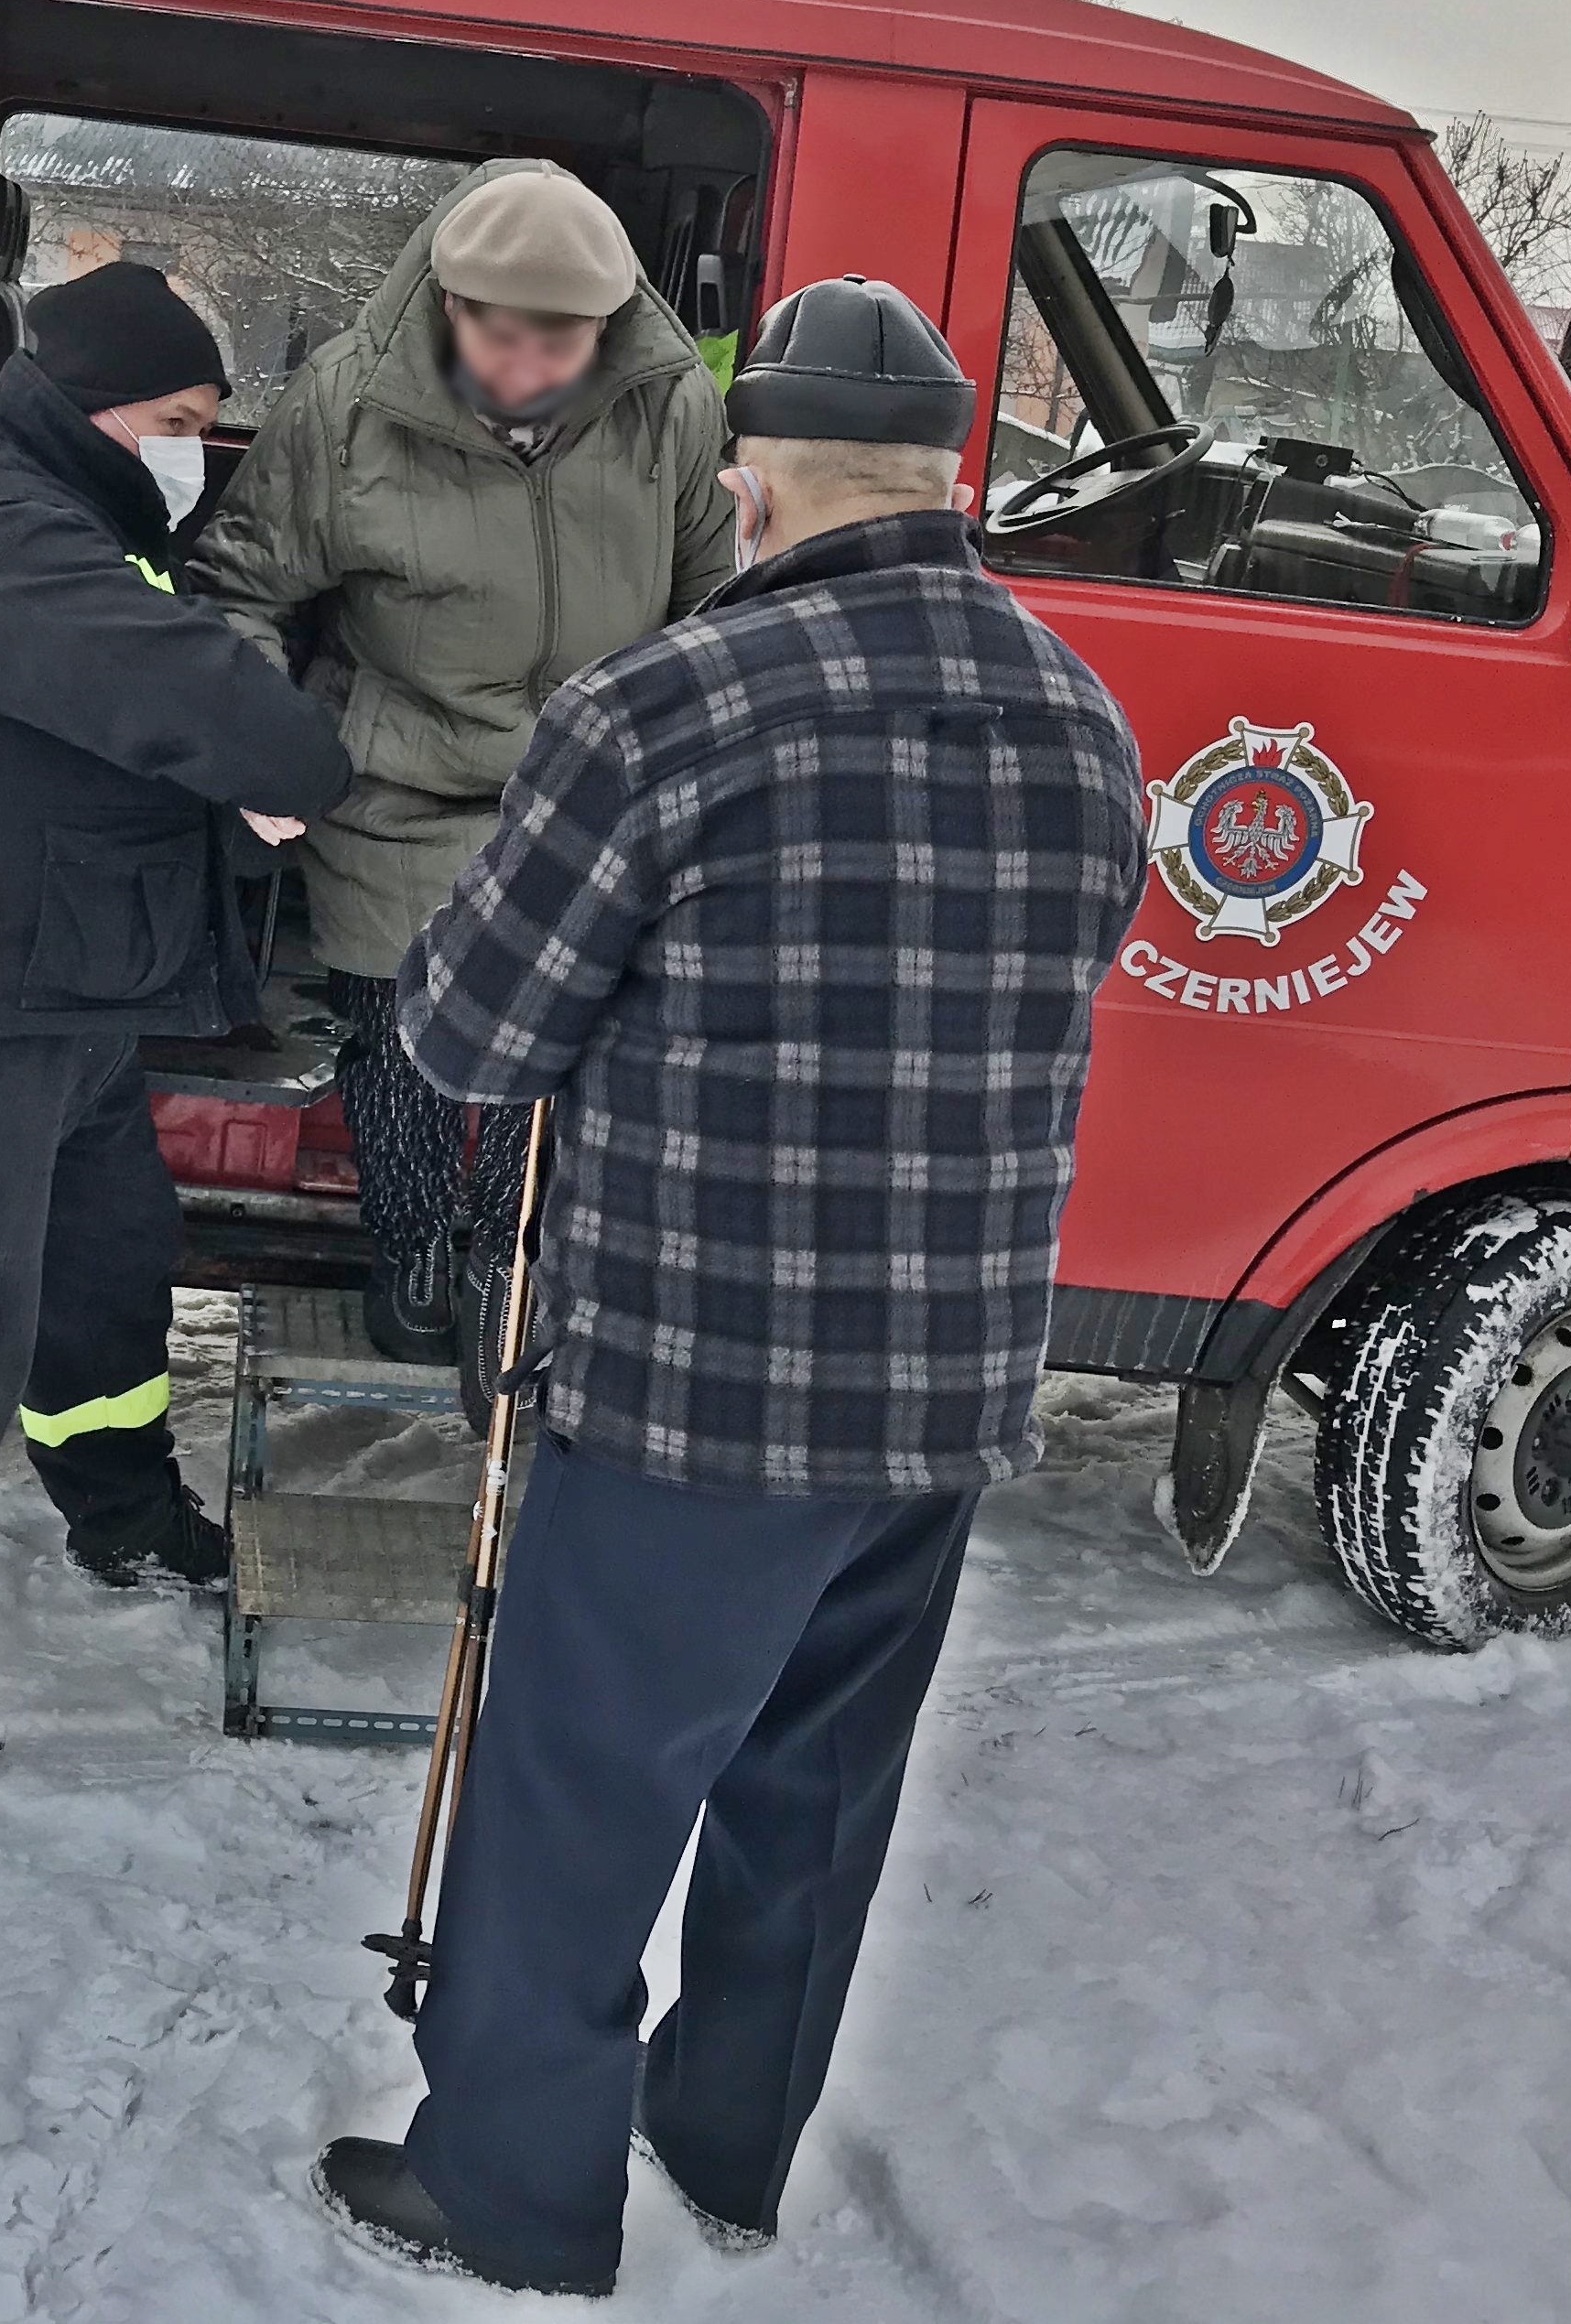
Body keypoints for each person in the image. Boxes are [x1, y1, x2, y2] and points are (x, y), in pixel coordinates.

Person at [306, 279, 1149, 2293]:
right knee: (819, 1788)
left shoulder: (658, 711)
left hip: (695, 1387)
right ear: (945, 475)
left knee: (580, 1797)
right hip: (942, 1388)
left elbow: (474, 1038)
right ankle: (728, 2135)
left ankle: (509, 2191)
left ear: (753, 487)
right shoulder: (1083, 721)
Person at [0, 262, 352, 1780]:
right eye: (178, 421)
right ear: (97, 404)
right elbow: (204, 704)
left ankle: (121, 1510)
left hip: (57, 990)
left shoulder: (65, 515)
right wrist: (281, 757)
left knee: (106, 1265)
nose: (191, 453)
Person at [194, 162, 731, 1397]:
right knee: (410, 1035)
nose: (532, 365)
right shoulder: (343, 407)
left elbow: (716, 593)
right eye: (503, 335)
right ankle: (412, 1256)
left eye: (565, 341)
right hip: (401, 777)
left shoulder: (671, 405)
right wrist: (259, 736)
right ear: (449, 301)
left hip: (599, 791)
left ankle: (509, 1256)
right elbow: (243, 591)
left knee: (568, 1050)